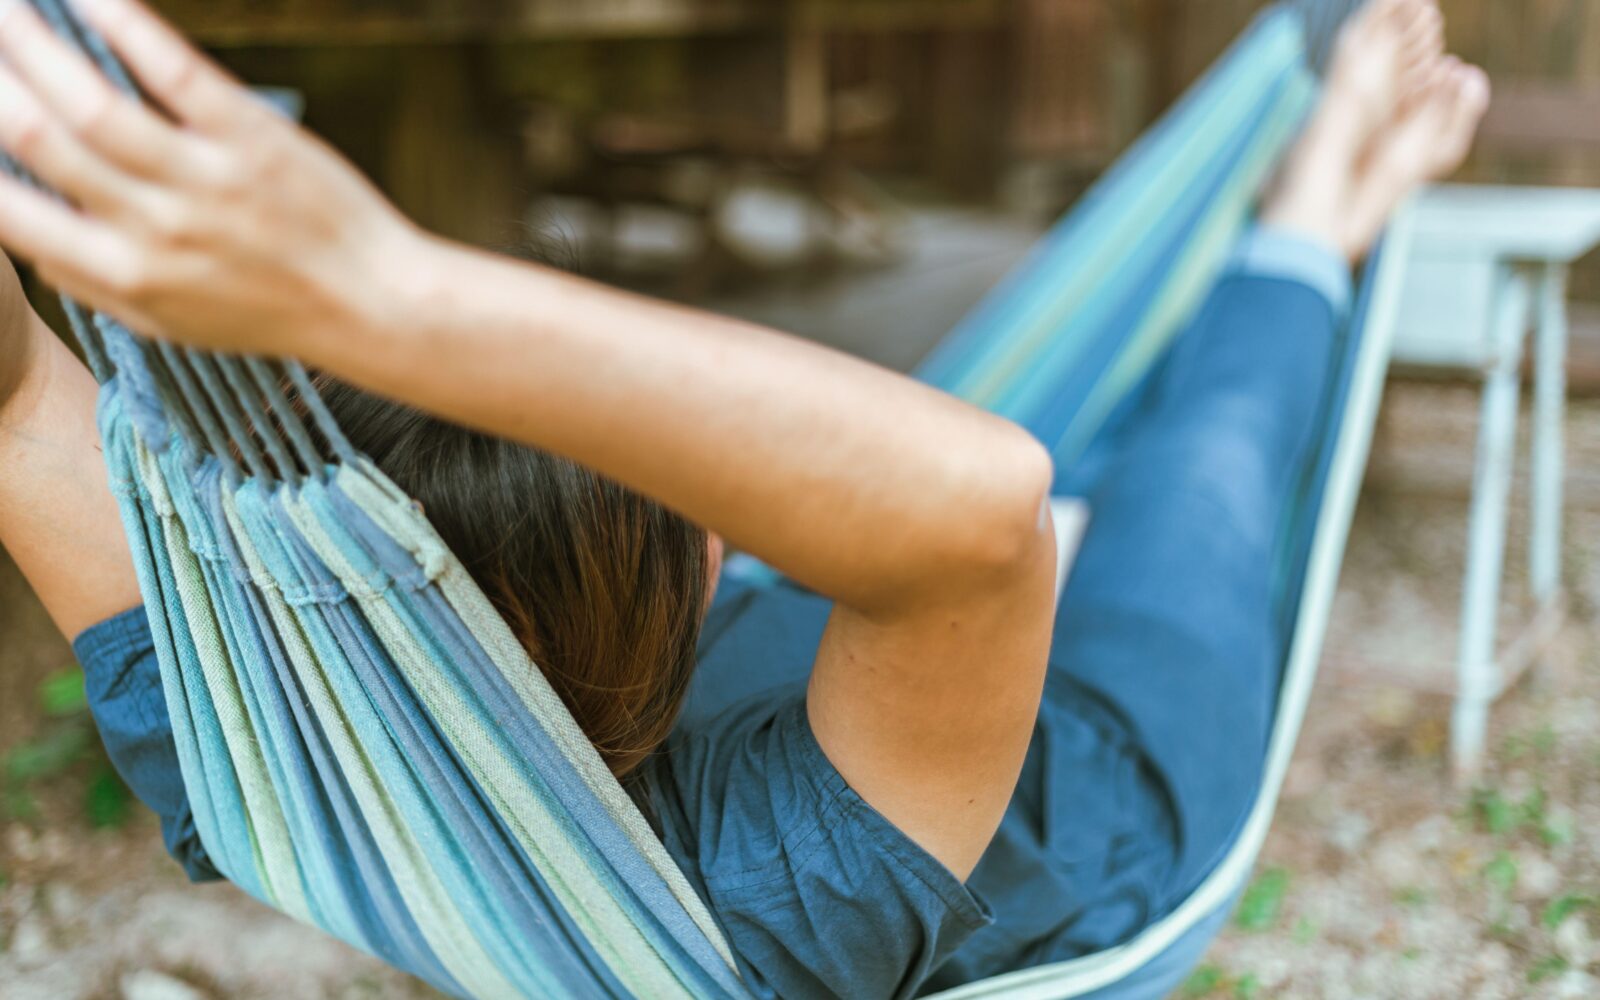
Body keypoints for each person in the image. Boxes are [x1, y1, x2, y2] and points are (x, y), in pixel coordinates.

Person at [0, 0, 1486, 995]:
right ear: (677, 581)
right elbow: (986, 504)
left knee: (1069, 457)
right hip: (1099, 764)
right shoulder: (768, 893)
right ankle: (1321, 206)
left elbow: (17, 404)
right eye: (683, 506)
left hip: (895, 653)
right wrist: (383, 293)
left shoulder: (265, 730)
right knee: (1209, 454)